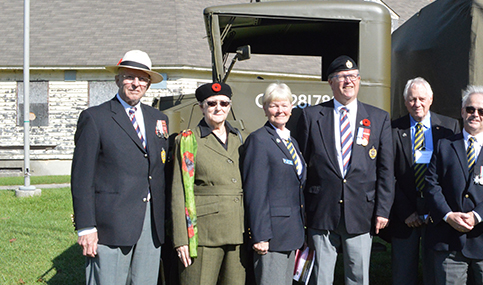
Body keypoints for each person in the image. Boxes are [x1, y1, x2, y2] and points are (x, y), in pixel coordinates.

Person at [70, 50, 169, 284]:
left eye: (142, 78)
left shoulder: (158, 118)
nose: (136, 83)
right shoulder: (95, 118)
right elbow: (82, 178)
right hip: (111, 223)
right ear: (117, 79)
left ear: (148, 84)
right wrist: (86, 227)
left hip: (150, 225)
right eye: (129, 77)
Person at [295, 55, 395, 285]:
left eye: (353, 77)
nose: (348, 81)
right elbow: (301, 168)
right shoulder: (311, 117)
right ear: (331, 82)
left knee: (358, 277)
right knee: (320, 277)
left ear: (359, 81)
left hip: (361, 211)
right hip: (321, 211)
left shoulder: (378, 118)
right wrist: (302, 211)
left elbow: (386, 170)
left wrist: (383, 210)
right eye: (342, 77)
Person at [423, 85, 483, 285]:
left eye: (482, 111)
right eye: (470, 109)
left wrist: (476, 216)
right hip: (449, 239)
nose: (476, 115)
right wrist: (448, 215)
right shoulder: (445, 146)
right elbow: (431, 184)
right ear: (462, 112)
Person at [170, 82, 247, 284]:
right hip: (202, 233)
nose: (218, 108)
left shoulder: (241, 138)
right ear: (201, 107)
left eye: (224, 103)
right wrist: (181, 239)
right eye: (211, 103)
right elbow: (178, 191)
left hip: (238, 230)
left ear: (230, 106)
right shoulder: (188, 140)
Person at [389, 77, 460, 285]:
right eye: (412, 99)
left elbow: (454, 173)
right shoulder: (393, 129)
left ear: (431, 99)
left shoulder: (449, 127)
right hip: (406, 213)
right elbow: (387, 174)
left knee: (437, 274)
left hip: (437, 213)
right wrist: (405, 211)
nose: (417, 104)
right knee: (403, 274)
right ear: (405, 101)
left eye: (421, 98)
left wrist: (439, 209)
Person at [241, 83, 307, 285]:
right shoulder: (259, 140)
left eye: (284, 105)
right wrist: (260, 235)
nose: (280, 111)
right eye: (274, 105)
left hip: (291, 234)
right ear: (264, 108)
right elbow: (255, 191)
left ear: (291, 107)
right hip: (271, 237)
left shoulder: (291, 142)